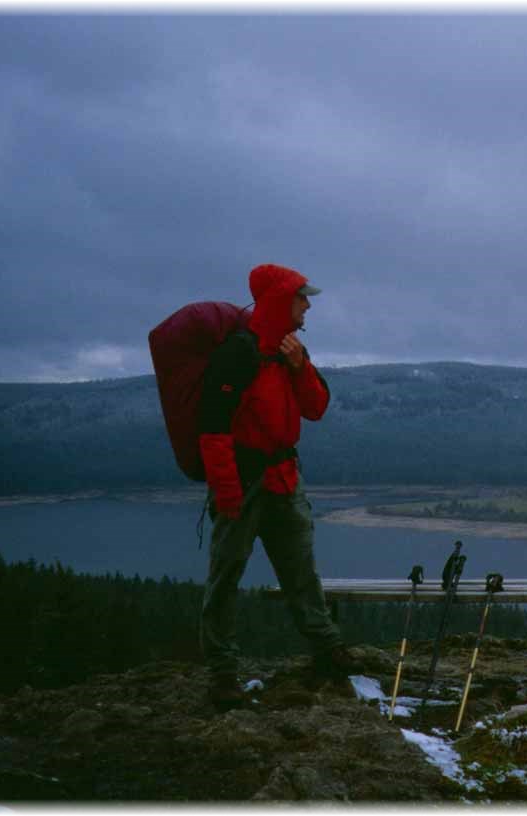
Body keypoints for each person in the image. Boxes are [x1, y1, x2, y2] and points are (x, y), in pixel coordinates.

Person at [197, 262, 358, 710]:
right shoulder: (239, 353)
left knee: (300, 572)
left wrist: (299, 365)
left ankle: (327, 650)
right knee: (226, 577)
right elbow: (212, 428)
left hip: (284, 479)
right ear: (279, 301)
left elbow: (317, 407)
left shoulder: (289, 351)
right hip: (244, 483)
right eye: (301, 297)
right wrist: (227, 491)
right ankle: (222, 673)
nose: (308, 305)